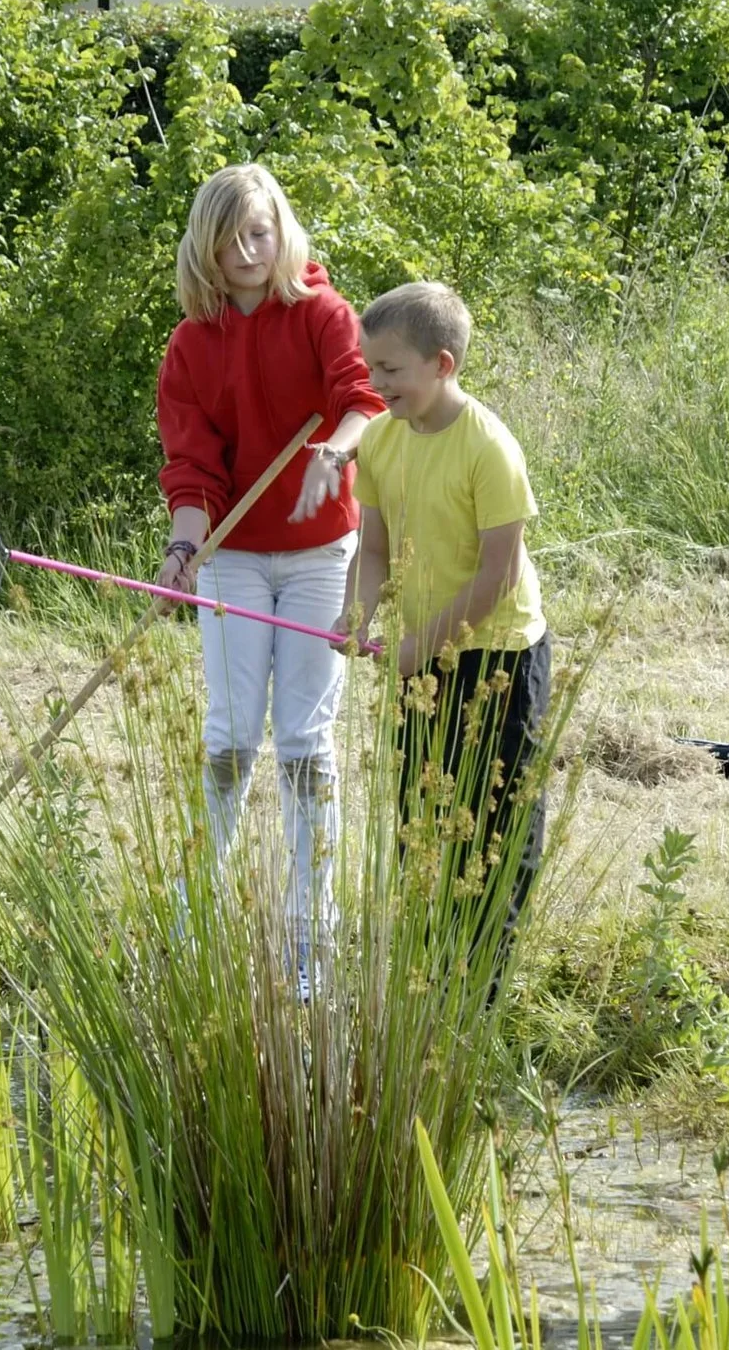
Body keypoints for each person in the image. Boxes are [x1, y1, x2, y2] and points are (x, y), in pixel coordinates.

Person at [154, 164, 383, 964]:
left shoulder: (323, 313)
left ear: (282, 232)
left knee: (304, 741)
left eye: (261, 232)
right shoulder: (190, 344)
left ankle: (308, 932)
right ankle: (190, 920)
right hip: (233, 559)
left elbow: (364, 397)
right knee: (229, 736)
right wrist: (186, 548)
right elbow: (192, 468)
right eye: (231, 240)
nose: (249, 250)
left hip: (323, 552)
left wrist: (335, 450)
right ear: (205, 250)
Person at [337, 281, 552, 948]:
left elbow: (500, 572)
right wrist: (358, 615)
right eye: (369, 366)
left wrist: (422, 646)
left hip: (498, 656)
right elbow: (372, 547)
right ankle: (426, 959)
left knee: (492, 818)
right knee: (421, 810)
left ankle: (483, 974)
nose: (376, 381)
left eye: (391, 370)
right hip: (420, 657)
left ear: (442, 365)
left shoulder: (489, 449)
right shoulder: (377, 440)